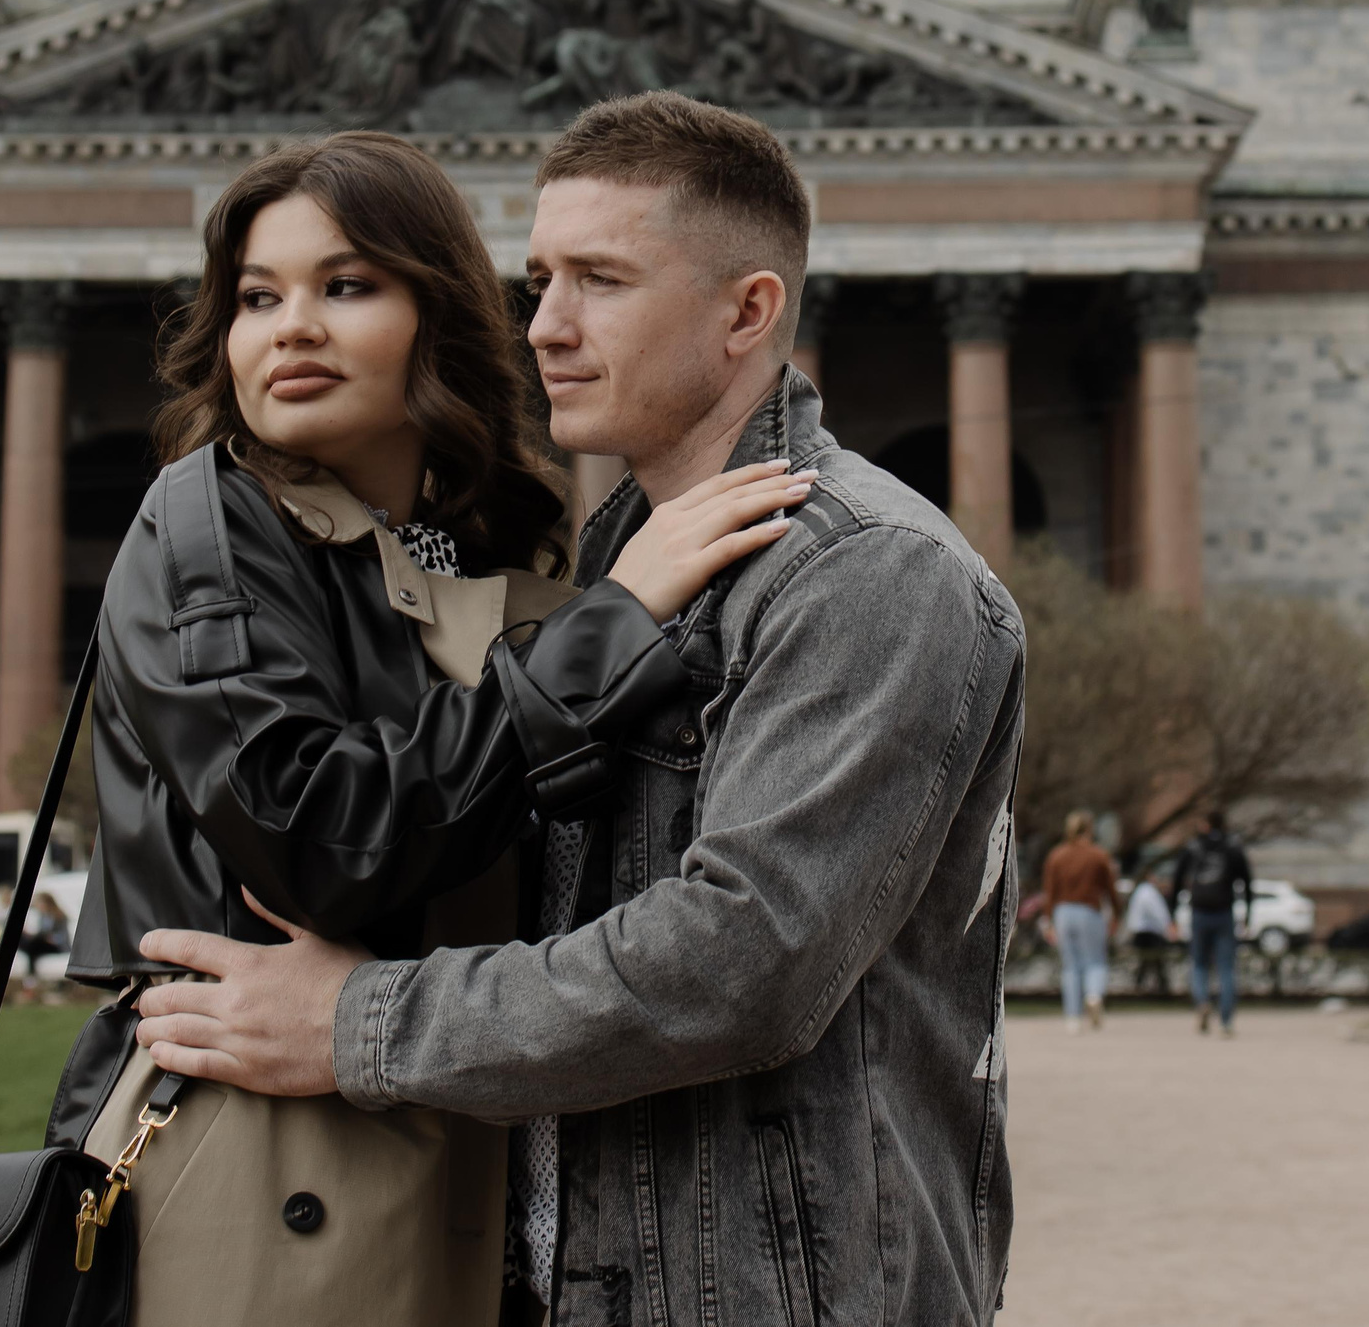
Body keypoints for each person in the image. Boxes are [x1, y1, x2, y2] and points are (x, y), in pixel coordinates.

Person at [132, 91, 1027, 1327]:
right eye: (538, 278)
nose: (541, 327)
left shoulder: (868, 569)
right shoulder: (610, 561)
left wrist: (356, 1023)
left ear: (747, 311)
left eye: (599, 281)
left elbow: (739, 963)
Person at [55, 129, 806, 1327]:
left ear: (438, 313)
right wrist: (611, 625)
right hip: (262, 1154)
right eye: (256, 297)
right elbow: (315, 836)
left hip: (476, 1129)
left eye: (345, 286)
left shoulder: (512, 545)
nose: (291, 326)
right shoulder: (204, 523)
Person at [1170, 810, 1254, 1036]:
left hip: (1200, 912)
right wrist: (1248, 914)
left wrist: (1172, 914)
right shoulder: (1232, 847)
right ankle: (1226, 1020)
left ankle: (1203, 1002)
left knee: (1199, 965)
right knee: (1226, 967)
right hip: (1224, 912)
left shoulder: (1193, 847)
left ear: (1205, 824)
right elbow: (1246, 881)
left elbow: (1177, 879)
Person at [1040, 809, 1120, 1029]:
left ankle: (1072, 1017)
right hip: (1089, 911)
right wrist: (1116, 914)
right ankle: (1093, 995)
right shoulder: (1098, 855)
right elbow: (1110, 889)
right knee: (1095, 960)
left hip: (1063, 912)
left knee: (1070, 966)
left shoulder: (1056, 856)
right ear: (1090, 829)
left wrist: (1047, 920)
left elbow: (1050, 891)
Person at [1125, 864, 1176, 997]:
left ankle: (1145, 985)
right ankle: (1162, 987)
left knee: (1149, 961)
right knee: (1154, 959)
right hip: (1148, 932)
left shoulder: (1141, 891)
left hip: (1143, 931)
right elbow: (1157, 913)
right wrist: (1168, 928)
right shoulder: (1148, 891)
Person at [17, 889, 69, 981]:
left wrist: (52, 938)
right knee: (26, 941)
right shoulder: (43, 916)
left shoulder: (59, 916)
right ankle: (31, 973)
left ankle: (31, 975)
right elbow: (41, 933)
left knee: (33, 945)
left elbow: (63, 937)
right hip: (42, 943)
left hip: (56, 945)